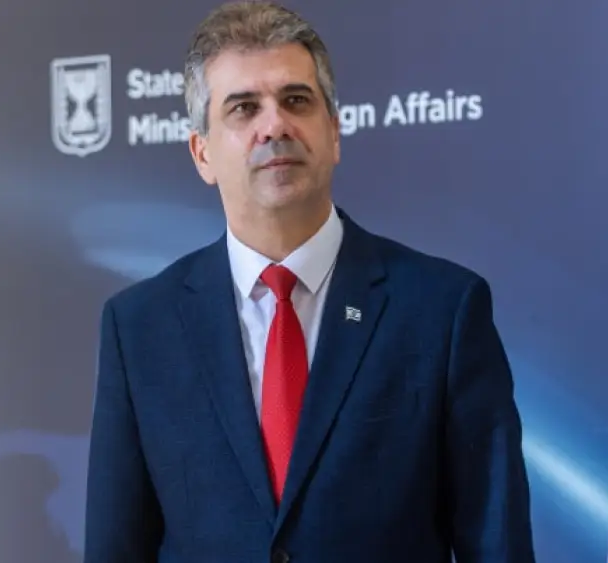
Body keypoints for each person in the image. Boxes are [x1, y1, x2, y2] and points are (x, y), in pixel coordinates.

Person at [83, 2, 535, 561]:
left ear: (335, 132)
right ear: (202, 153)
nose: (274, 125)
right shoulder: (139, 329)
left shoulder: (443, 311)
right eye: (243, 108)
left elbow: (497, 545)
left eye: (296, 100)